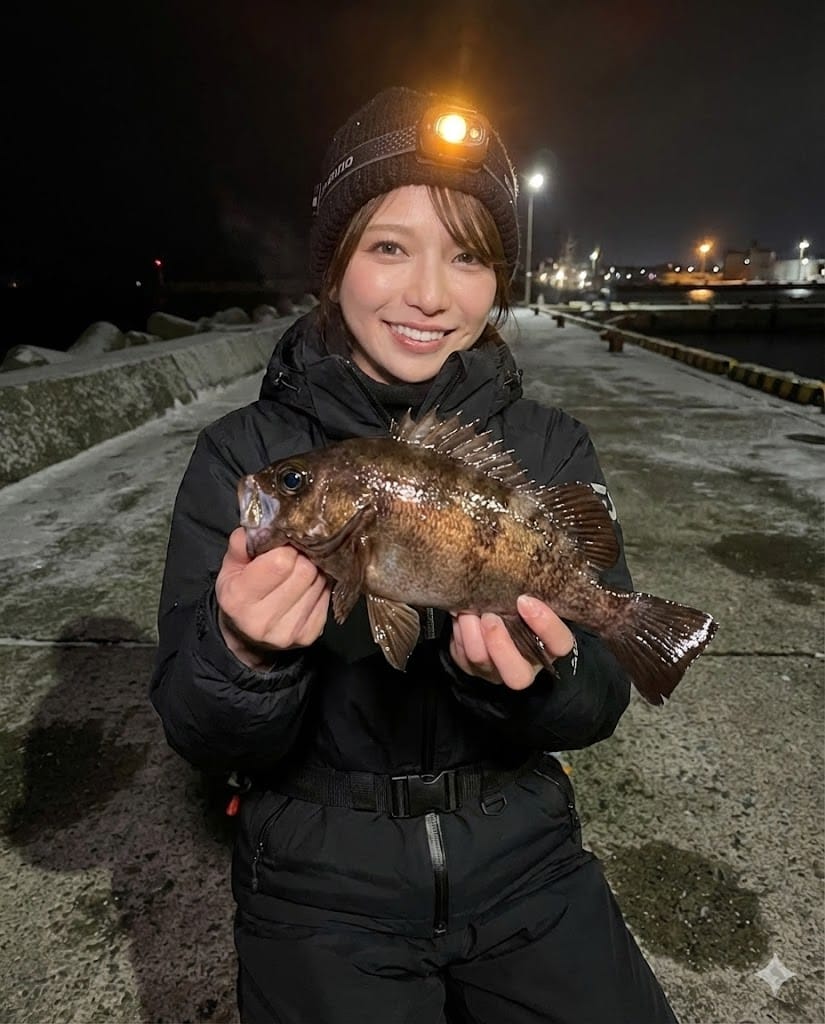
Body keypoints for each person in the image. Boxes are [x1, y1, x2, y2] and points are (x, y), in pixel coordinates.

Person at [150, 86, 679, 1024]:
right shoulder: (242, 457)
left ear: (498, 284)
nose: (431, 295)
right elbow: (198, 733)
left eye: (468, 258)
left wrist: (541, 680)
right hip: (313, 886)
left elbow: (596, 704)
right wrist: (242, 657)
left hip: (526, 862)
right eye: (388, 247)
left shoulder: (550, 448)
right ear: (333, 266)